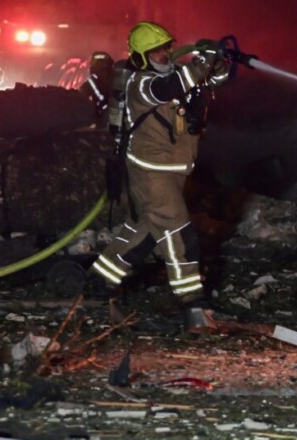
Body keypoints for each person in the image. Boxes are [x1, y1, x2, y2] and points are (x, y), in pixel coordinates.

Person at [90, 21, 231, 332]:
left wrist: (218, 63)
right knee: (179, 234)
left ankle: (101, 282)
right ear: (141, 56)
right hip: (150, 171)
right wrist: (202, 62)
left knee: (148, 231)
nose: (166, 54)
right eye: (157, 50)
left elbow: (214, 81)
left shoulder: (176, 76)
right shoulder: (141, 84)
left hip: (173, 169)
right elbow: (171, 87)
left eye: (167, 47)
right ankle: (194, 307)